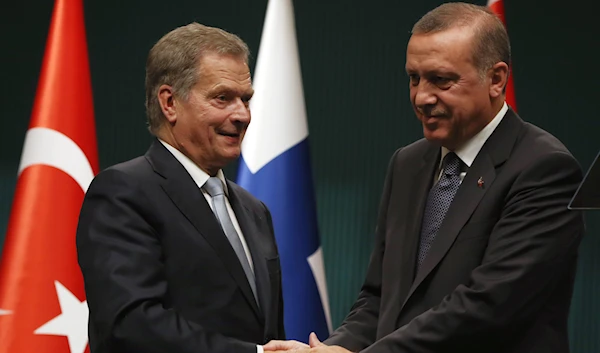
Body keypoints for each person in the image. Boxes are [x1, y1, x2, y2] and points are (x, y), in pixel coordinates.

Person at [265, 3, 584, 353]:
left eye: (441, 80)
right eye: (414, 78)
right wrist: (336, 348)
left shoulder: (543, 168)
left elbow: (488, 306)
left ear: (496, 79)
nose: (421, 96)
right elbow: (379, 296)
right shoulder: (407, 163)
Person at [76, 23, 287, 353]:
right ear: (169, 102)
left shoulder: (254, 210)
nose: (242, 115)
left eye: (246, 99)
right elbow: (131, 325)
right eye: (223, 98)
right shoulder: (124, 193)